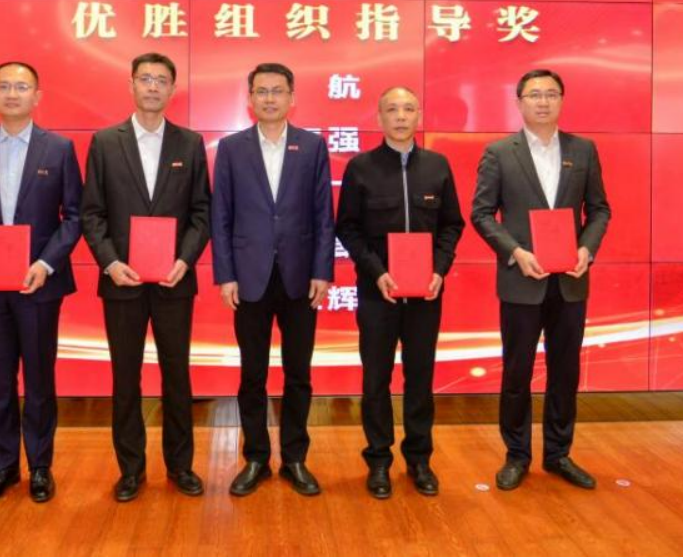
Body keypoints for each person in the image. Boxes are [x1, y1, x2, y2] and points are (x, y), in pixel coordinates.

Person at [0, 61, 83, 505]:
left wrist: (46, 263)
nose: (12, 93)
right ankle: (2, 467)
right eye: (4, 86)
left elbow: (75, 216)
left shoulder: (58, 149)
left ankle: (40, 466)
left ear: (36, 96)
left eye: (21, 87)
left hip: (38, 284)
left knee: (40, 379)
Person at [470, 69, 610, 491]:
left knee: (565, 371)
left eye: (551, 94)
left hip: (570, 280)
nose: (543, 102)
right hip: (522, 280)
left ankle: (558, 453)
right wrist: (515, 252)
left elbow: (599, 210)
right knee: (517, 372)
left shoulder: (583, 150)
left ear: (562, 100)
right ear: (519, 103)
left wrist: (587, 249)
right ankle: (516, 455)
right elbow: (481, 213)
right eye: (534, 95)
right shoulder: (500, 152)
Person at [81, 53, 211, 503]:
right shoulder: (105, 142)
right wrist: (110, 263)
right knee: (125, 378)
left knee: (177, 375)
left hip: (175, 281)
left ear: (173, 89)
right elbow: (92, 213)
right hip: (123, 282)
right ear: (131, 85)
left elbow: (202, 212)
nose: (153, 87)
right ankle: (131, 470)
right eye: (145, 79)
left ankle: (181, 466)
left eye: (161, 80)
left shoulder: (190, 144)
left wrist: (186, 259)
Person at [211, 62, 335, 497]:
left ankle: (296, 458)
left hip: (301, 277)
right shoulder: (232, 148)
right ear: (250, 99)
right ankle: (256, 458)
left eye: (277, 91)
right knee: (253, 374)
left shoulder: (312, 146)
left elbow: (323, 214)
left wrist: (323, 270)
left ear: (291, 97)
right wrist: (225, 274)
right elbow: (221, 215)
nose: (269, 98)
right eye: (261, 91)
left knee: (298, 373)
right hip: (249, 278)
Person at [335, 87, 464, 498]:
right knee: (376, 379)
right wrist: (376, 272)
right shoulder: (361, 168)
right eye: (392, 109)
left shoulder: (437, 166)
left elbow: (452, 225)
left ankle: (419, 459)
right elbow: (347, 227)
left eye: (408, 108)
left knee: (420, 378)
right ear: (380, 118)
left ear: (419, 115)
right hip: (379, 293)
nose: (401, 116)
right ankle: (378, 460)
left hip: (426, 293)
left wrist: (439, 269)